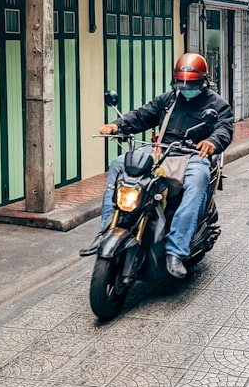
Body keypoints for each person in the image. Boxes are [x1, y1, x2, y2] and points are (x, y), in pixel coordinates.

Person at [79, 53, 233, 279]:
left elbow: (224, 128)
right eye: (181, 83)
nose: (185, 88)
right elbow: (143, 115)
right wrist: (117, 125)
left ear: (203, 81)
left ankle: (176, 250)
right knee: (118, 165)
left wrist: (212, 141)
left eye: (190, 84)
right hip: (161, 150)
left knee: (198, 179)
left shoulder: (217, 104)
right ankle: (105, 230)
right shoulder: (169, 100)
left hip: (192, 155)